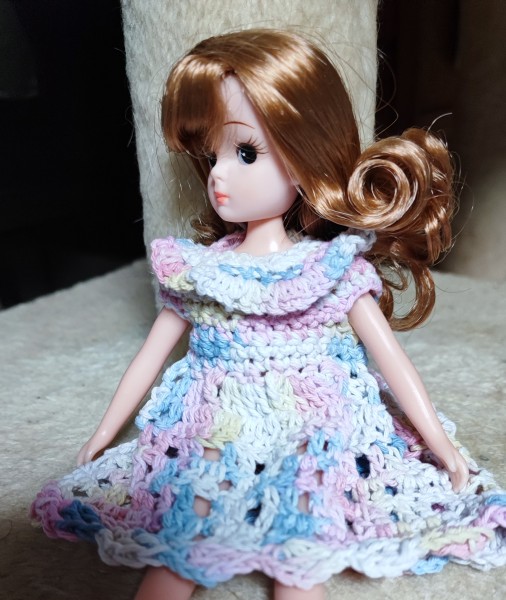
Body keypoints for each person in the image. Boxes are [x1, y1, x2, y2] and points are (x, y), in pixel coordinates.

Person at [31, 29, 505, 600]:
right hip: (217, 423)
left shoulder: (330, 269)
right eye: (211, 155)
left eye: (246, 153)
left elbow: (392, 362)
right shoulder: (202, 270)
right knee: (184, 531)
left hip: (316, 425)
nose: (217, 175)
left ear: (304, 159)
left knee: (301, 542)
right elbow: (149, 358)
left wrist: (442, 446)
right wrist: (104, 433)